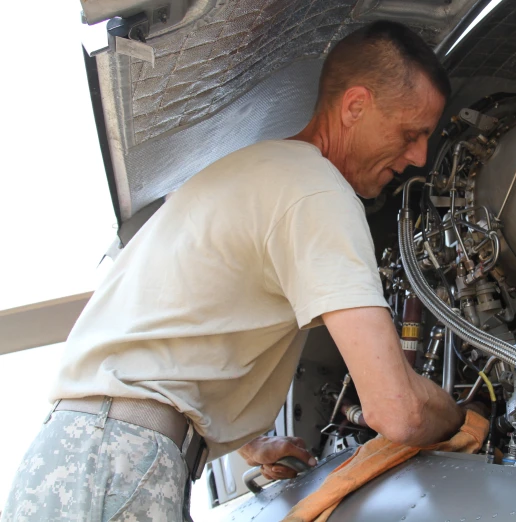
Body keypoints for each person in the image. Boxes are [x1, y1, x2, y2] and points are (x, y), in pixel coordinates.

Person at [1, 20, 464, 521]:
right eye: (411, 132)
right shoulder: (317, 193)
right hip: (120, 464)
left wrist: (247, 444)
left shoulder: (247, 173)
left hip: (82, 458)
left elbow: (180, 324)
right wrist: (462, 415)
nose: (419, 156)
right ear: (355, 106)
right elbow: (396, 410)